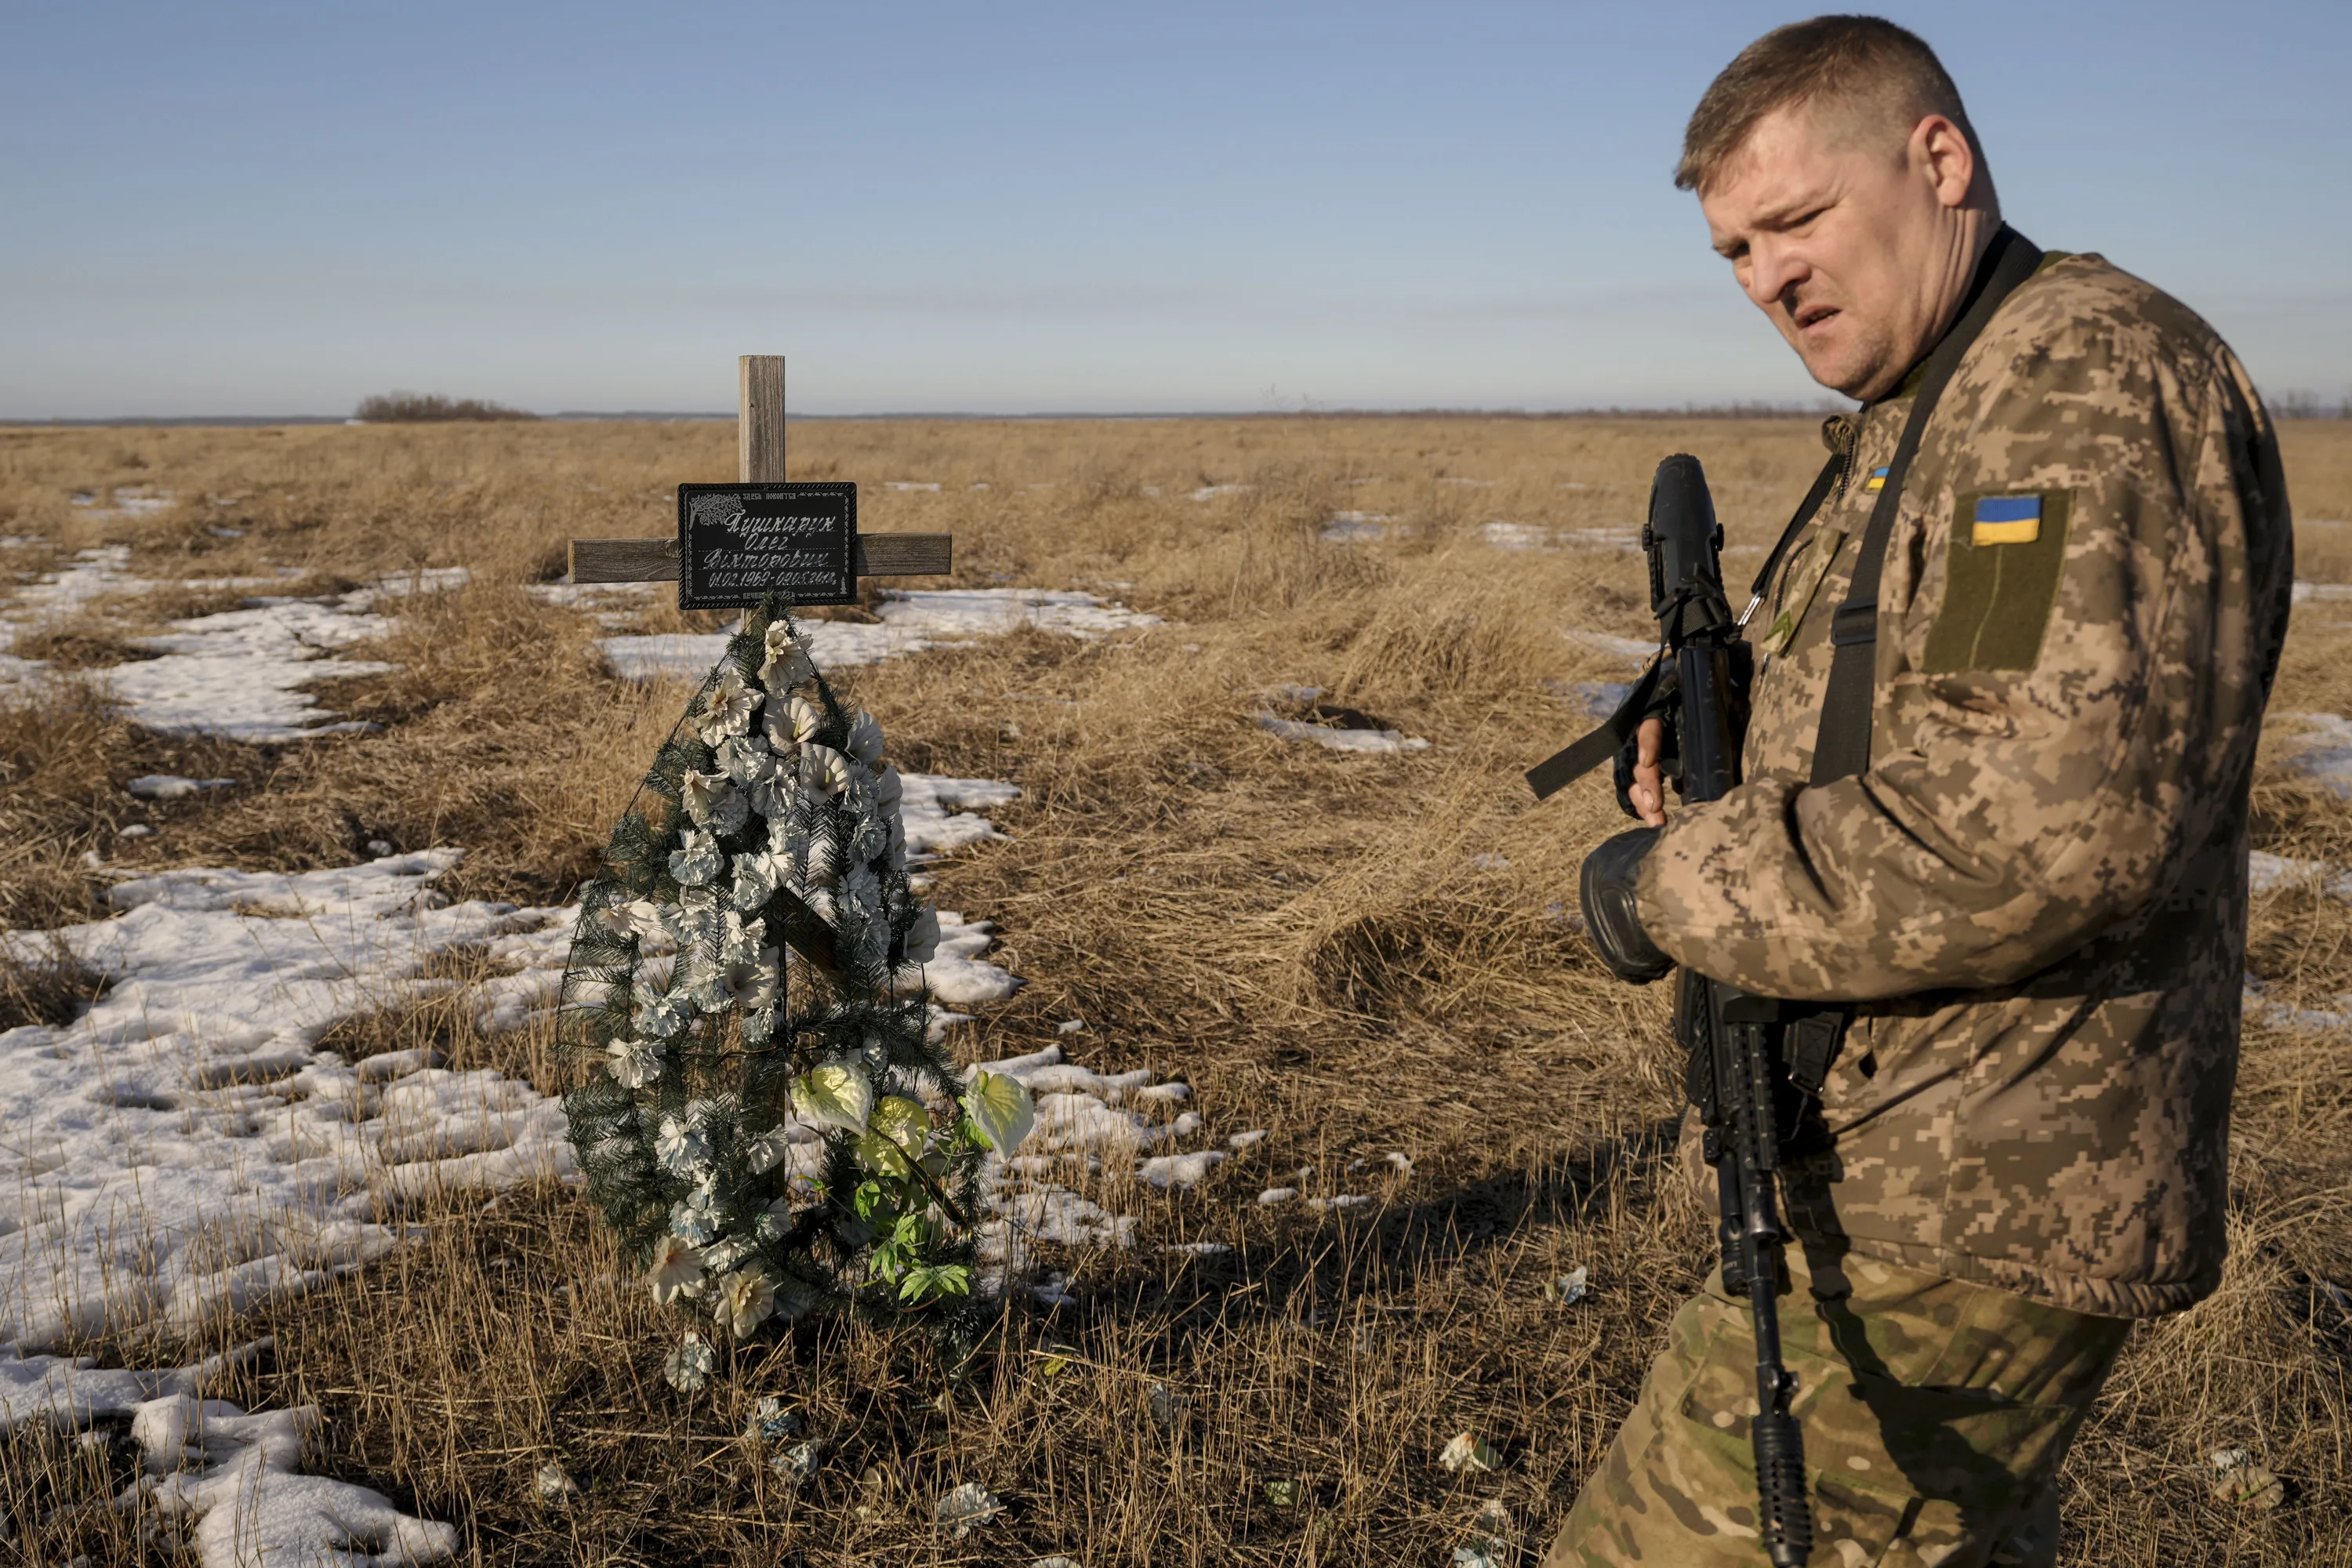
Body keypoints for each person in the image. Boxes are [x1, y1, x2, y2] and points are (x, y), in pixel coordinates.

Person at [1546, 16, 2294, 1567]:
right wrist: (1721, 757)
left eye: (1799, 221)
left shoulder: (2077, 382)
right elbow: (1928, 725)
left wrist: (1674, 883)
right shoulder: (1931, 403)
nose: (1769, 278)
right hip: (1908, 1135)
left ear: (1938, 159)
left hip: (1982, 1176)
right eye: (1736, 250)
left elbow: (2038, 829)